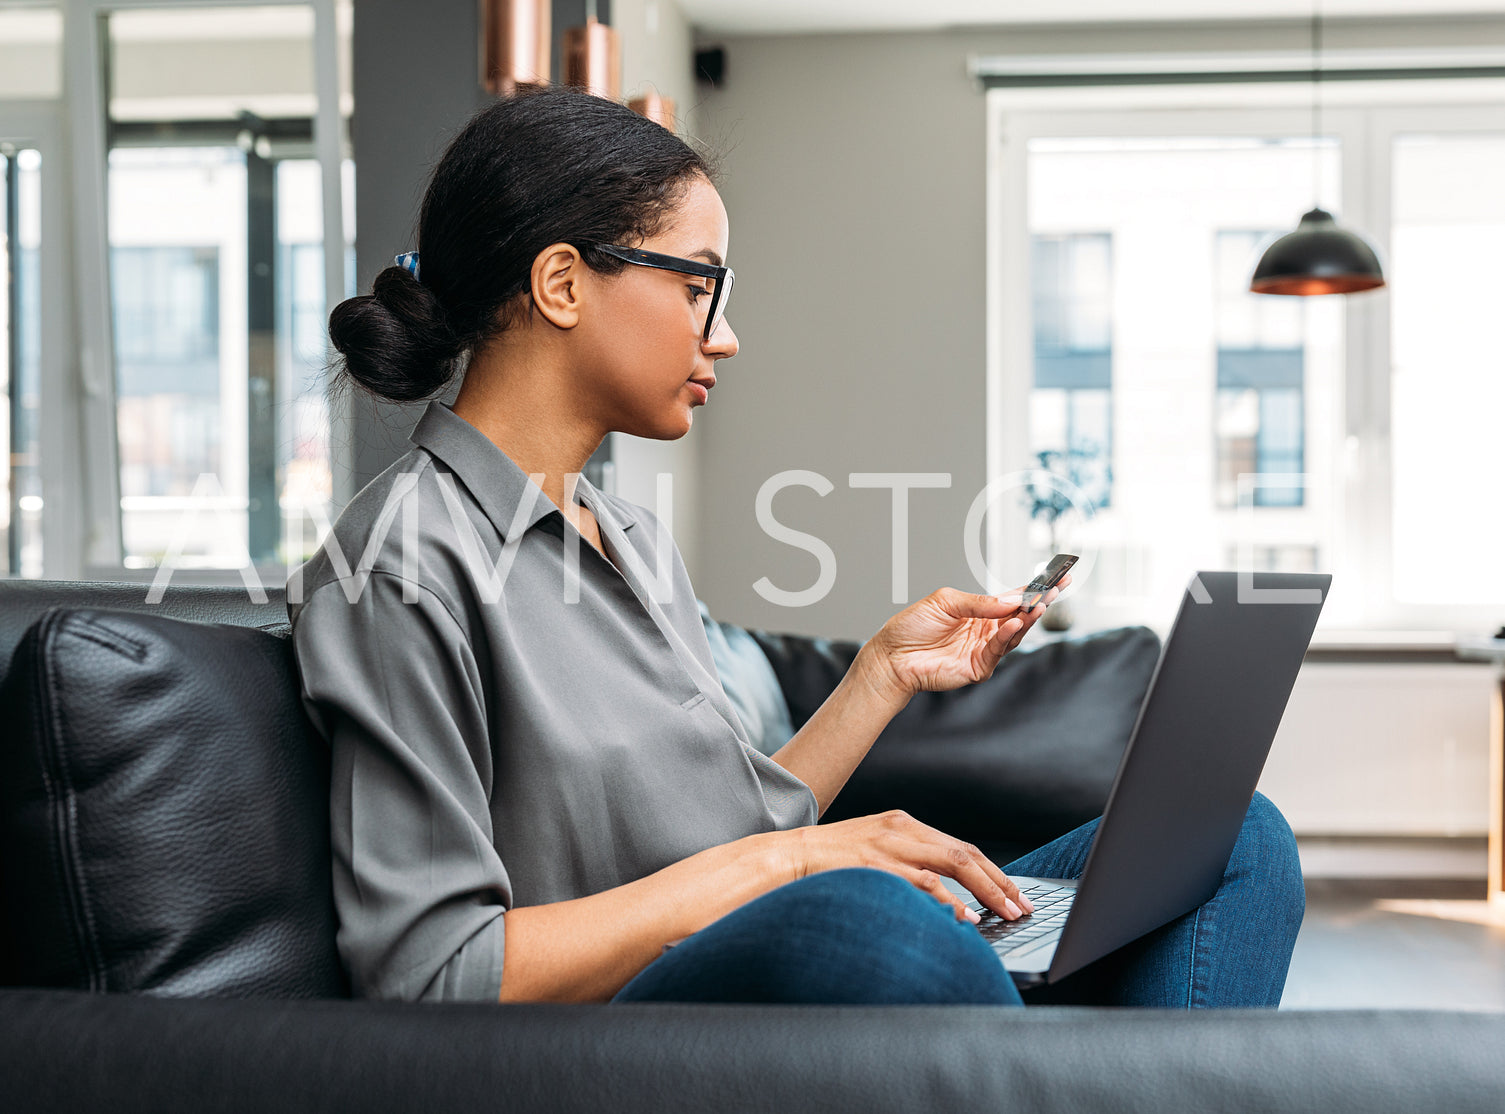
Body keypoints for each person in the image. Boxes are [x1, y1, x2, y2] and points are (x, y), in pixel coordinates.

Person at [290, 86, 1304, 1008]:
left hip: (742, 962)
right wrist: (795, 867)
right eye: (698, 287)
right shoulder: (396, 559)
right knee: (874, 920)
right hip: (603, 1037)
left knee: (1229, 839)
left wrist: (881, 674)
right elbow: (433, 972)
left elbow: (739, 831)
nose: (722, 334)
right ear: (561, 282)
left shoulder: (628, 535)